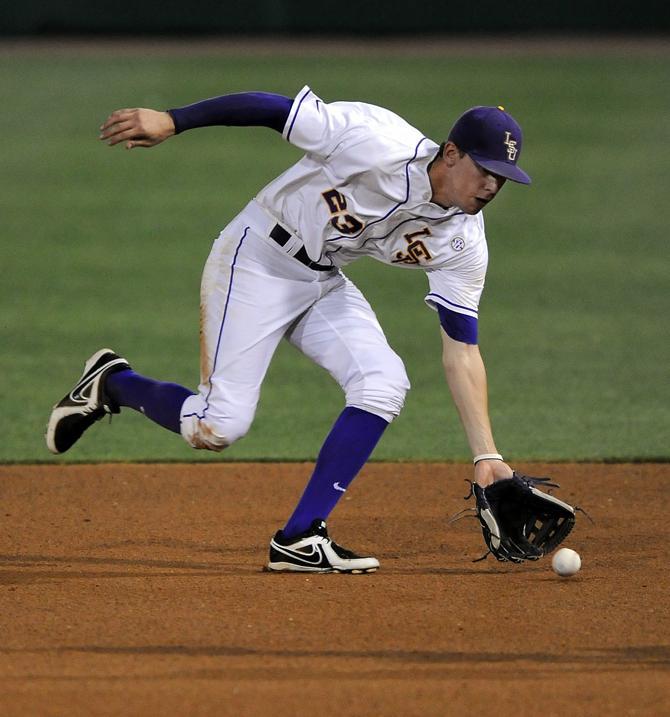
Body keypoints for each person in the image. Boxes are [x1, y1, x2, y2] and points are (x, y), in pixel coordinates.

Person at [46, 86, 531, 574]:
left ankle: (299, 537)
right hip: (257, 257)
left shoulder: (464, 243)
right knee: (216, 428)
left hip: (322, 281)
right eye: (486, 170)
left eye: (503, 178)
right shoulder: (376, 140)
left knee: (383, 383)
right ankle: (112, 383)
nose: (492, 186)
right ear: (451, 153)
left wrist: (486, 455)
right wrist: (172, 121)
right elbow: (272, 108)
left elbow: (462, 351)